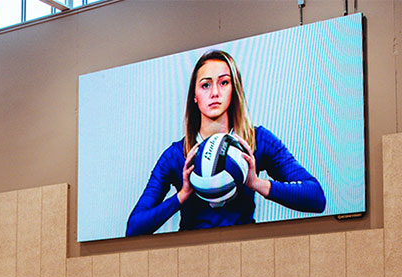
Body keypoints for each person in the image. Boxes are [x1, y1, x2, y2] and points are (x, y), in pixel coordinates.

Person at [125, 50, 325, 237]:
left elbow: (316, 197)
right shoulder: (177, 155)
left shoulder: (256, 141)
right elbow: (134, 227)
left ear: (234, 89)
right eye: (205, 85)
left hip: (245, 255)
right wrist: (183, 194)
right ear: (194, 96)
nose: (214, 93)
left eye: (224, 83)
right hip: (191, 258)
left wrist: (256, 183)